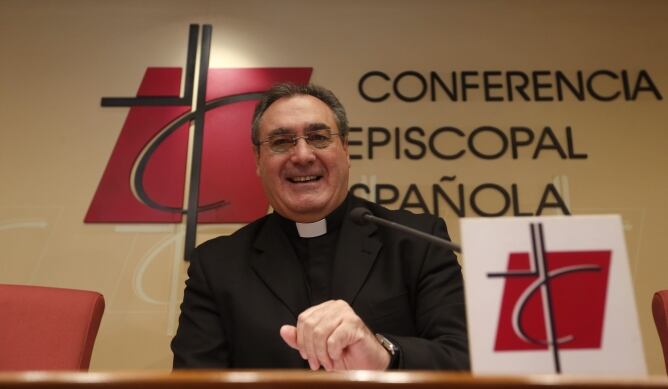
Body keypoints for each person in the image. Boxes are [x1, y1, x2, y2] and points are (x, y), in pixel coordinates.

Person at [171, 83, 469, 370]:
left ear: (346, 149)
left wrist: (383, 353)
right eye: (281, 142)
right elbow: (194, 381)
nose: (302, 155)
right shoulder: (217, 266)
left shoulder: (417, 242)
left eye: (318, 138)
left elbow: (463, 358)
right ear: (258, 160)